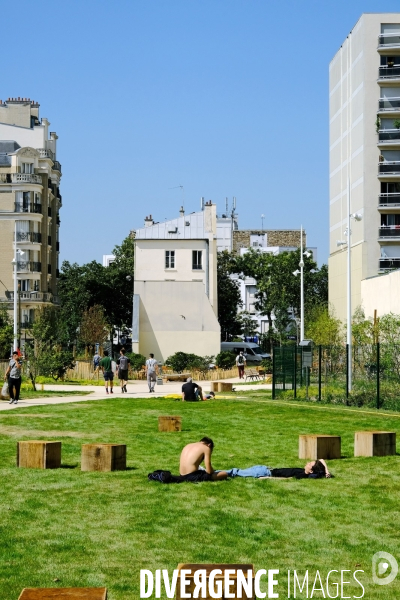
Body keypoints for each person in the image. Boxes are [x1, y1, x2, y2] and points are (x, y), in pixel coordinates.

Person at [226, 459, 331, 480]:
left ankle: (212, 474)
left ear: (311, 471)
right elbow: (321, 459)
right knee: (239, 472)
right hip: (264, 468)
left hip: (265, 472)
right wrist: (326, 471)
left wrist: (266, 478)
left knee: (235, 472)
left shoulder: (302, 475)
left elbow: (285, 479)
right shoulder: (305, 471)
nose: (307, 463)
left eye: (309, 464)